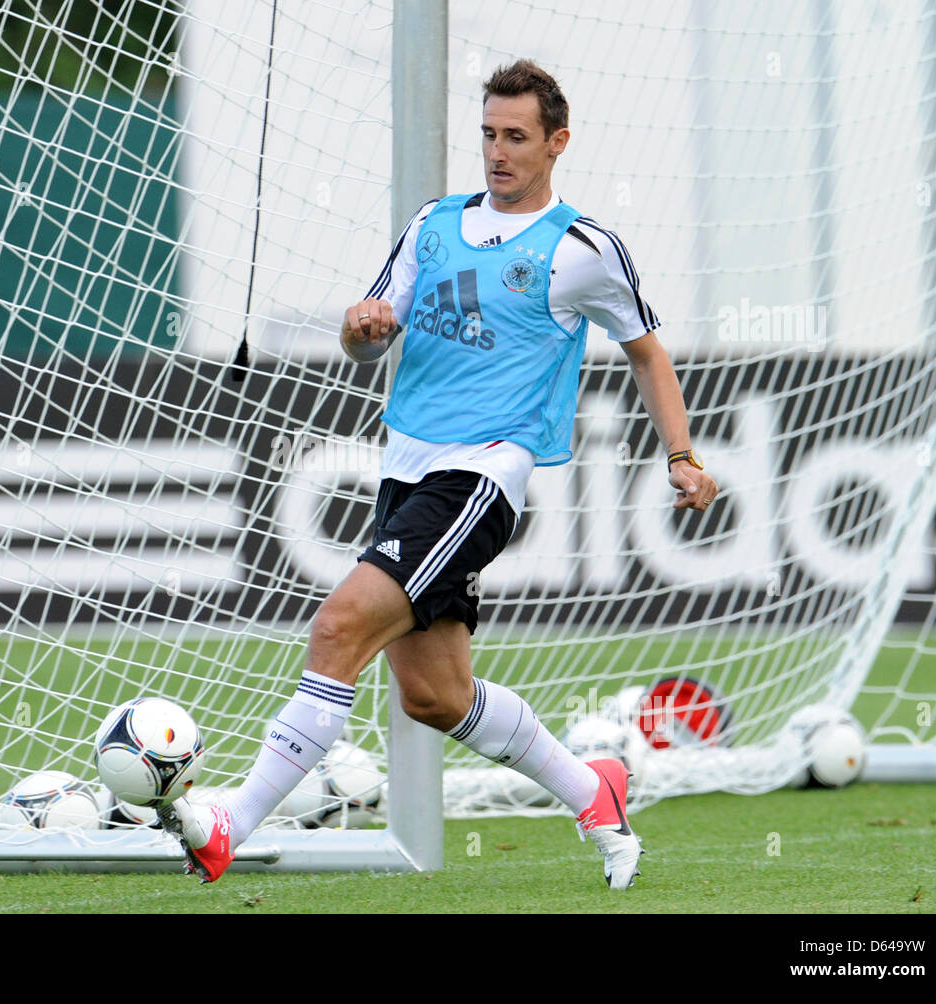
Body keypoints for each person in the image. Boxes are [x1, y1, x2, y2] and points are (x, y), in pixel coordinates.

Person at [159, 58, 719, 889]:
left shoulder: (582, 250)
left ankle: (230, 824)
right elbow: (370, 337)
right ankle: (592, 786)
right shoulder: (433, 223)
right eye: (489, 134)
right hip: (407, 470)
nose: (498, 151)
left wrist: (682, 455)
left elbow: (647, 353)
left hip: (483, 477)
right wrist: (360, 329)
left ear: (556, 143)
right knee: (433, 695)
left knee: (339, 625)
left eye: (517, 137)